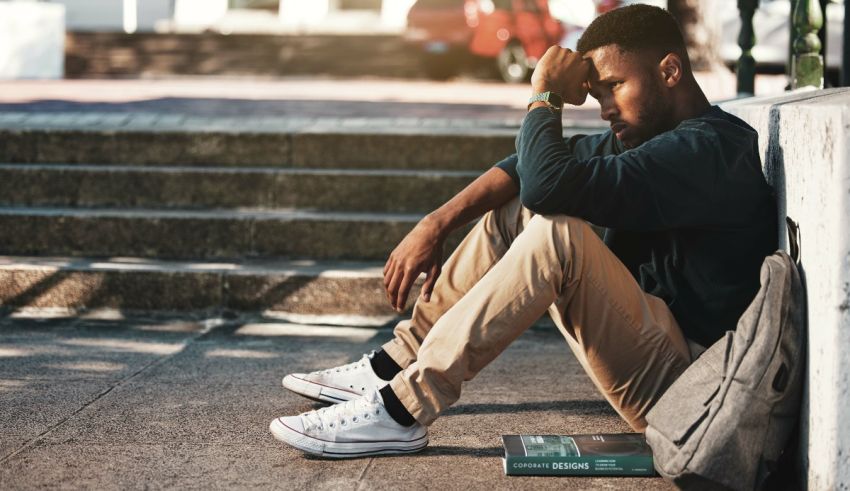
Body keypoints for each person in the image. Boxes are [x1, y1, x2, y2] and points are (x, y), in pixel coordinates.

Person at [269, 4, 778, 458]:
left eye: (615, 87)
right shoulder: (653, 138)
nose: (605, 109)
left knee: (558, 234)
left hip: (690, 391)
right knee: (518, 211)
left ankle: (402, 410)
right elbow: (524, 171)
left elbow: (549, 184)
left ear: (669, 69)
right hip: (655, 351)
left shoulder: (706, 151)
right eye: (597, 94)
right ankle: (397, 362)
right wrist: (436, 222)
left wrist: (546, 98)